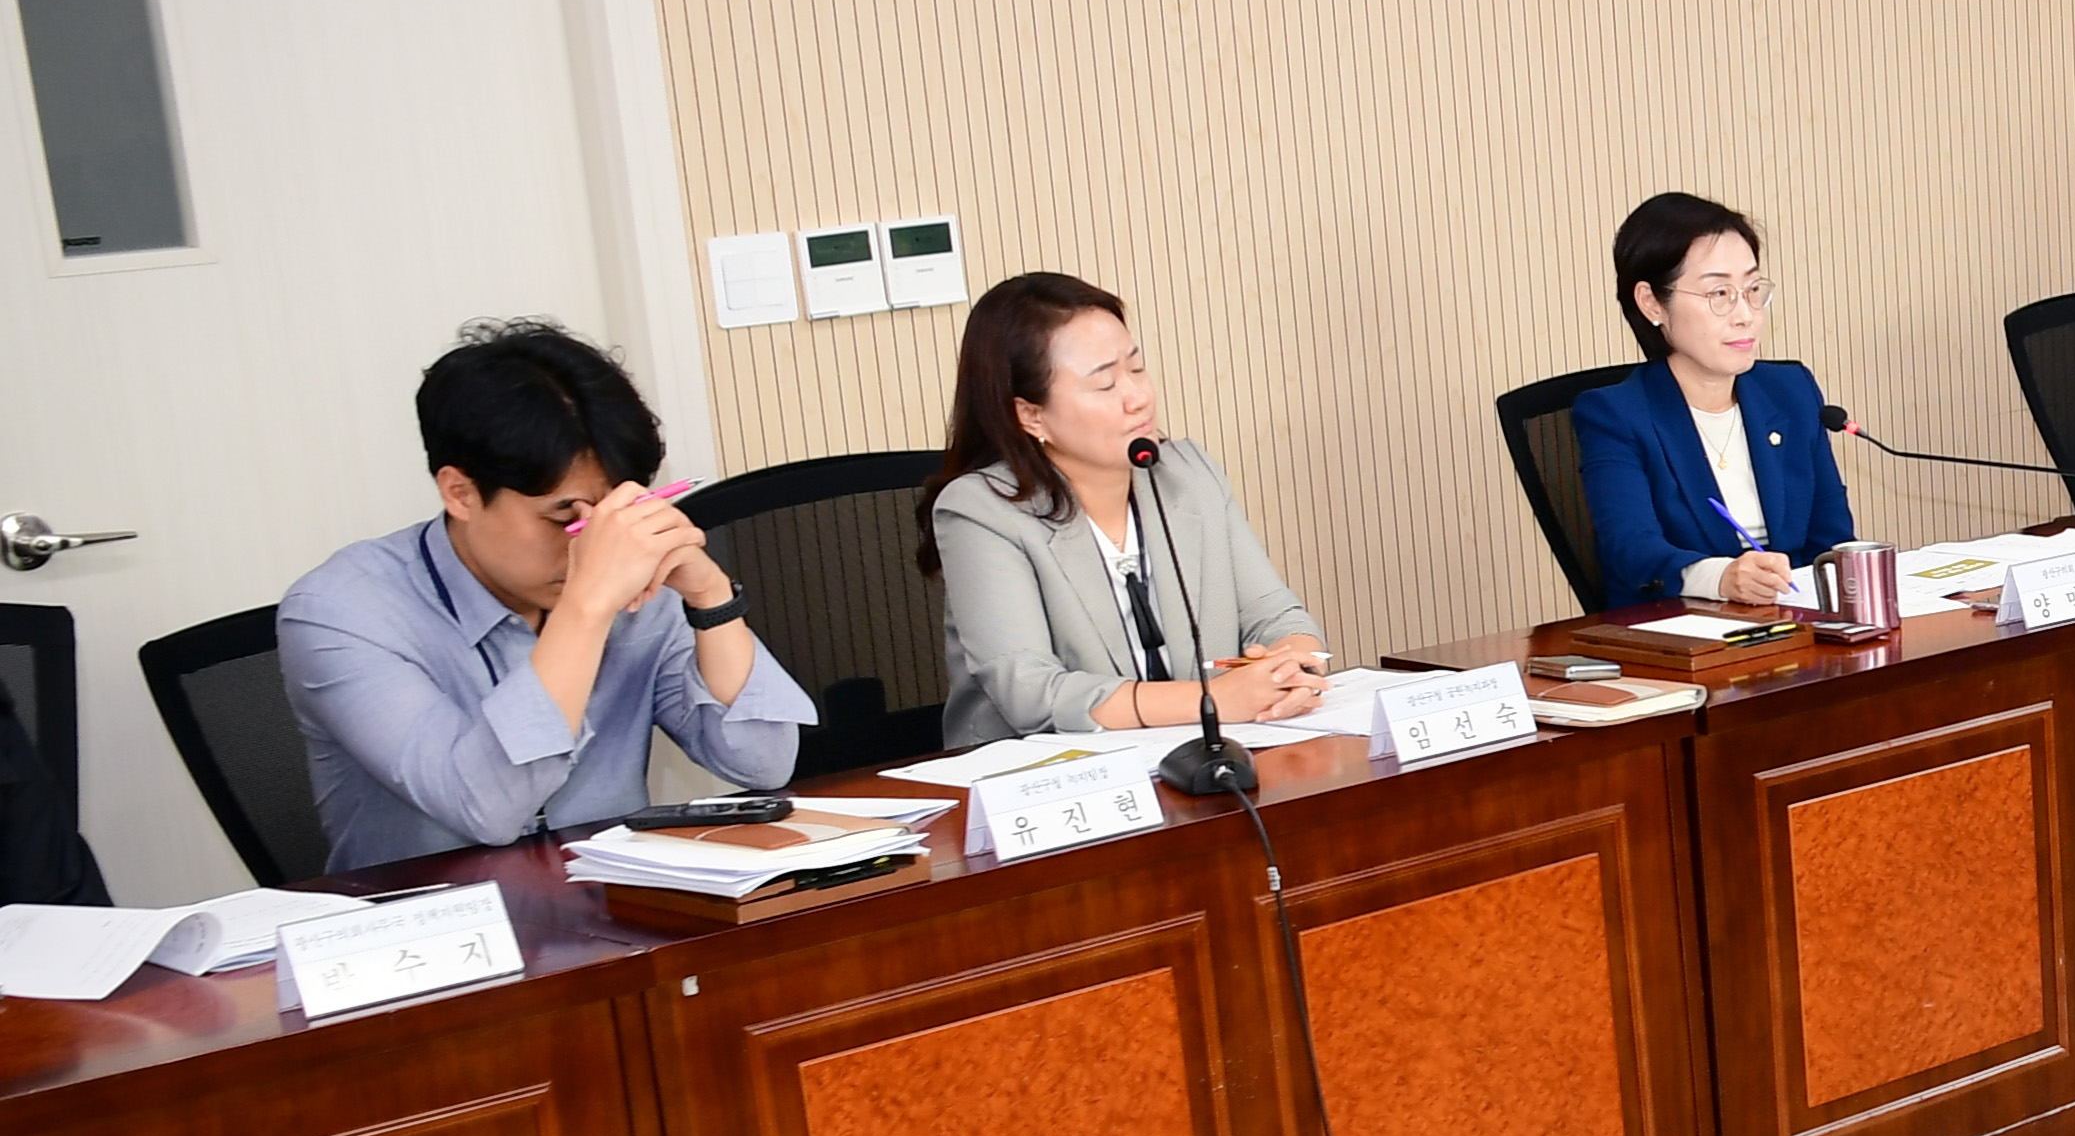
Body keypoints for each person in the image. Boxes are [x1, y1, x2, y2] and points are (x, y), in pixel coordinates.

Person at [280, 320, 816, 869]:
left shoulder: (636, 583)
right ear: (459, 493)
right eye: (564, 515)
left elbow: (762, 764)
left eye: (614, 511)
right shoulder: (340, 613)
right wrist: (586, 608)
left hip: (616, 912)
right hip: (434, 932)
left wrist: (710, 596)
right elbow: (486, 809)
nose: (594, 542)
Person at [920, 274, 1329, 750]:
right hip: (1042, 783)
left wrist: (1292, 669)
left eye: (1136, 369)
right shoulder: (981, 511)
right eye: (1105, 383)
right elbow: (1031, 692)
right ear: (1031, 415)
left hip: (1193, 763)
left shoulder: (1187, 474)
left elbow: (1275, 615)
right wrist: (1213, 698)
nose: (1138, 397)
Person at [1574, 193, 1852, 607]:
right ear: (1651, 302)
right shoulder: (1615, 415)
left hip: (1797, 623)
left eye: (1753, 289)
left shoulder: (1791, 390)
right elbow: (1631, 551)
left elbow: (1832, 539)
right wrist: (1722, 578)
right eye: (1719, 294)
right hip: (1683, 636)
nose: (1746, 314)